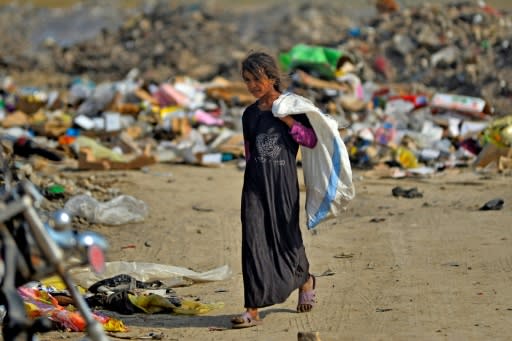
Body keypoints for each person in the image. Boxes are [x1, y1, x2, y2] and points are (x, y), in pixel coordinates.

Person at [231, 51, 318, 329]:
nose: (252, 85)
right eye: (247, 80)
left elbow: (311, 140)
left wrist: (289, 122)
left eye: (256, 78)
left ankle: (305, 278)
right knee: (253, 241)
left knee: (286, 236)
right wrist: (256, 178)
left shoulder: (292, 108)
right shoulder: (250, 115)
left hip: (283, 185)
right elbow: (249, 152)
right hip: (255, 185)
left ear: (271, 76)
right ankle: (252, 308)